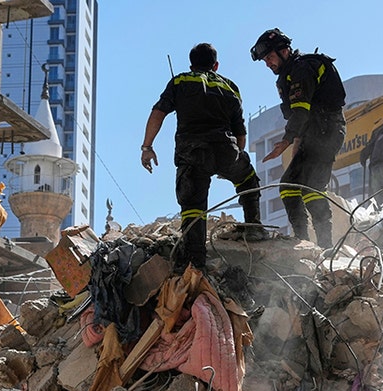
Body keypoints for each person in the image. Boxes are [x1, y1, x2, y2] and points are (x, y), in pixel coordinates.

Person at [141, 42, 263, 269]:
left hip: (193, 153)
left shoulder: (180, 81)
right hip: (226, 150)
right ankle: (255, 228)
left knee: (193, 205)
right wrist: (233, 162)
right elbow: (240, 134)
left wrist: (147, 147)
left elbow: (158, 113)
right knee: (249, 180)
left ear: (191, 64)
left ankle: (195, 261)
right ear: (216, 65)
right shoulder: (231, 87)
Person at [250, 28, 346, 247]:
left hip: (326, 131)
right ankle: (309, 242)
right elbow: (301, 117)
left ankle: (317, 244)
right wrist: (295, 146)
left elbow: (301, 112)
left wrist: (285, 142)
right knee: (297, 186)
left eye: (270, 57)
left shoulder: (301, 69)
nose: (268, 64)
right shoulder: (290, 74)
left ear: (283, 50)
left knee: (307, 186)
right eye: (265, 60)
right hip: (315, 134)